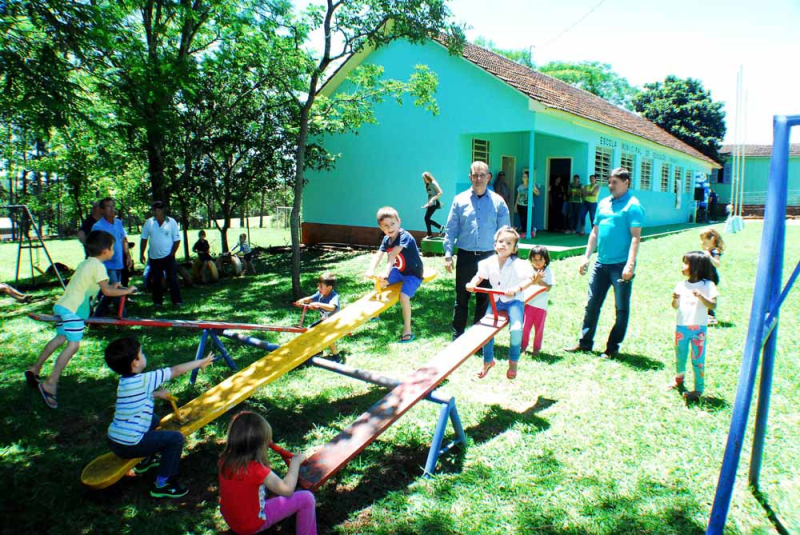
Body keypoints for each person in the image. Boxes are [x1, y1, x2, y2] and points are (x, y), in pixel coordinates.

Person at [26, 230, 137, 409]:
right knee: (73, 345)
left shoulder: (87, 263)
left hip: (64, 306)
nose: (114, 250)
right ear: (106, 250)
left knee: (60, 338)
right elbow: (107, 292)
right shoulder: (99, 267)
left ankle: (35, 368)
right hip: (74, 311)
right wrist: (128, 290)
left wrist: (114, 286)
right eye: (112, 247)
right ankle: (50, 383)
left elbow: (101, 287)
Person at [104, 337, 214, 498]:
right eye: (141, 354)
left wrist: (157, 394)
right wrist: (200, 362)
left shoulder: (124, 382)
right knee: (176, 439)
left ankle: (146, 460)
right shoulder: (144, 380)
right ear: (135, 363)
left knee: (154, 419)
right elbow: (175, 370)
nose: (144, 355)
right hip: (130, 444)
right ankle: (164, 483)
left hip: (114, 439)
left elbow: (136, 398)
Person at [566, 167, 644, 359]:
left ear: (626, 183)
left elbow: (635, 238)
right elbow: (595, 232)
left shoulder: (633, 206)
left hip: (621, 265)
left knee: (621, 308)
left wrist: (630, 264)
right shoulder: (603, 204)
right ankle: (585, 343)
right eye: (609, 182)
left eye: (614, 182)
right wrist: (586, 257)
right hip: (601, 264)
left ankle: (612, 347)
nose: (610, 186)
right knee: (592, 304)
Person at [219, 411, 316, 535]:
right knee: (307, 499)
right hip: (251, 524)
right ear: (259, 446)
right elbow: (287, 489)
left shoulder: (224, 460)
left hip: (232, 519)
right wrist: (295, 463)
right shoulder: (256, 469)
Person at [444, 161, 511, 340]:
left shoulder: (498, 202)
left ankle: (477, 340)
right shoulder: (459, 200)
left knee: (484, 300)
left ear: (489, 177)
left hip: (489, 258)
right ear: (470, 177)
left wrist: (503, 259)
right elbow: (451, 229)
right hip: (465, 256)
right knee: (462, 299)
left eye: (482, 175)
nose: (479, 179)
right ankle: (457, 337)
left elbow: (506, 234)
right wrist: (448, 254)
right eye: (475, 175)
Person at [466, 226, 534, 379]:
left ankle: (513, 361)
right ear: (494, 245)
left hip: (514, 301)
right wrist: (472, 284)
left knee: (516, 329)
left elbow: (530, 279)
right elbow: (479, 276)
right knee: (486, 330)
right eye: (501, 241)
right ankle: (488, 361)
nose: (504, 245)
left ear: (515, 248)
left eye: (509, 243)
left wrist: (517, 289)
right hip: (496, 300)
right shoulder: (488, 262)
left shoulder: (519, 264)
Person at [365, 207, 423, 343]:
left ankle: (407, 329)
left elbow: (392, 255)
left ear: (399, 222)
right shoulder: (386, 239)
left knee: (403, 297)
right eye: (385, 225)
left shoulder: (404, 236)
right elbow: (379, 255)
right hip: (400, 270)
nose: (390, 227)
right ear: (381, 227)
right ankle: (376, 314)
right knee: (379, 282)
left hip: (413, 273)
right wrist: (370, 269)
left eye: (392, 223)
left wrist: (386, 273)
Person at [667, 251, 719, 402]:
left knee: (697, 359)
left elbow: (713, 305)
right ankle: (679, 380)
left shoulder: (708, 285)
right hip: (682, 327)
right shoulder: (681, 285)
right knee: (680, 356)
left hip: (698, 329)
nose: (682, 267)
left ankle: (698, 389)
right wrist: (675, 300)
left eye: (686, 263)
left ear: (696, 267)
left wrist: (702, 297)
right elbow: (675, 306)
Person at [92, 197, 133, 316]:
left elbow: (123, 239)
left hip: (119, 263)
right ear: (102, 210)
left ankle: (96, 319)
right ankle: (123, 319)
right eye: (108, 207)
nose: (111, 209)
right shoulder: (98, 227)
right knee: (117, 291)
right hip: (107, 265)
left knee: (108, 293)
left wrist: (128, 255)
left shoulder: (118, 223)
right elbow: (96, 248)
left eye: (113, 206)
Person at [140, 201, 183, 308]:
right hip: (154, 257)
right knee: (156, 280)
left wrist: (172, 253)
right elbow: (144, 239)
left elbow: (177, 240)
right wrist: (142, 253)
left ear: (163, 210)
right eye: (154, 210)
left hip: (168, 256)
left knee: (172, 279)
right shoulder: (149, 223)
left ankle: (177, 301)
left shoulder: (171, 222)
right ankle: (157, 302)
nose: (156, 212)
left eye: (158, 209)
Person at [296, 272, 343, 362]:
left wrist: (318, 304)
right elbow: (309, 299)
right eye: (318, 286)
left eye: (321, 286)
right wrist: (301, 301)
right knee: (310, 330)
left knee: (327, 335)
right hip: (325, 321)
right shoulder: (320, 294)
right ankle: (318, 350)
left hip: (335, 322)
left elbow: (332, 307)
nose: (318, 288)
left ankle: (336, 356)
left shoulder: (334, 296)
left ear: (329, 288)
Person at [520, 245, 554, 356]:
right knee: (525, 327)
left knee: (539, 328)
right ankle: (523, 346)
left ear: (546, 260)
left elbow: (548, 288)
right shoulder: (528, 270)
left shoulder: (548, 271)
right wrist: (536, 279)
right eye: (534, 259)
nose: (537, 262)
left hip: (541, 306)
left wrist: (539, 280)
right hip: (528, 303)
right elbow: (527, 283)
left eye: (540, 259)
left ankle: (536, 349)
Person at [700, 228, 725, 325]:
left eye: (704, 241)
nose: (702, 243)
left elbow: (717, 264)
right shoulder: (709, 250)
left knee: (710, 296)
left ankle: (711, 316)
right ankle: (704, 314)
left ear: (712, 239)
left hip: (711, 278)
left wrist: (708, 255)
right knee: (703, 295)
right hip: (705, 276)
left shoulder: (715, 251)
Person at [514, 170, 539, 238]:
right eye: (523, 176)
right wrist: (516, 206)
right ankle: (525, 231)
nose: (523, 178)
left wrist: (532, 188)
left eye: (525, 176)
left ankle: (530, 230)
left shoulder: (531, 185)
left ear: (528, 178)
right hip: (520, 205)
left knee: (527, 219)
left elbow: (538, 193)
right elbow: (518, 196)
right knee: (522, 219)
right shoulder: (520, 186)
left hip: (528, 205)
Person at [421, 171, 444, 237]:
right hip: (431, 203)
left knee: (426, 218)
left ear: (428, 177)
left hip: (435, 203)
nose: (424, 180)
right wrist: (427, 204)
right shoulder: (427, 185)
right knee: (426, 218)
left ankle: (430, 234)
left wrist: (432, 199)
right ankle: (439, 228)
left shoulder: (433, 183)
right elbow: (430, 196)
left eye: (424, 178)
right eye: (423, 178)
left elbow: (440, 192)